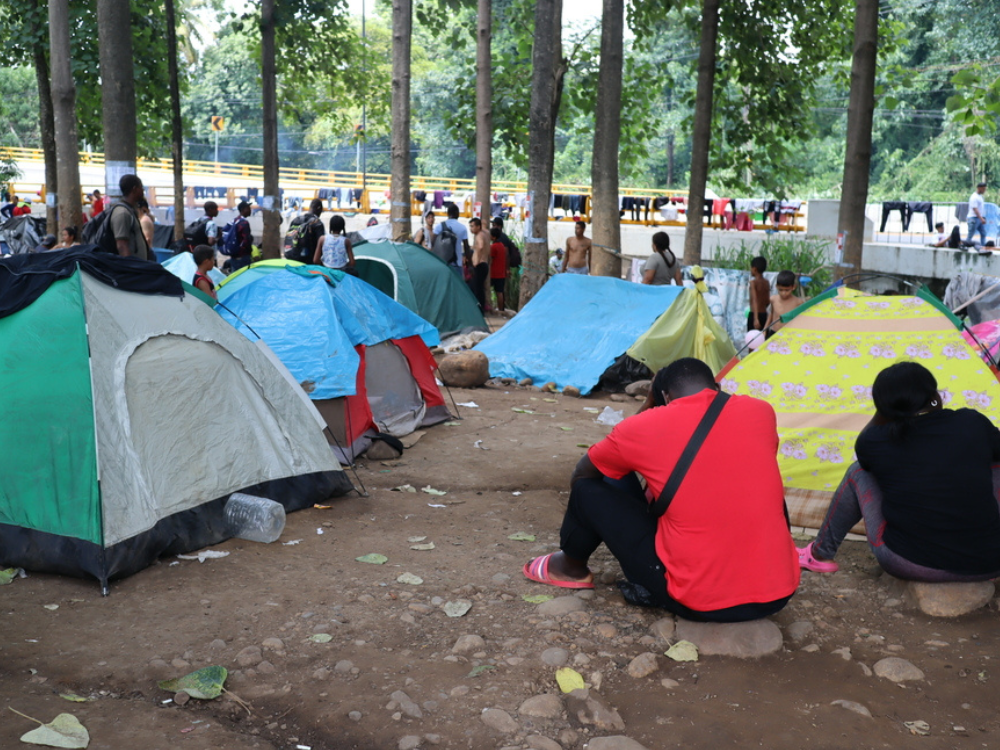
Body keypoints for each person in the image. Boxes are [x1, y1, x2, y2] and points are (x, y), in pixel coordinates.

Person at [522, 358, 800, 622]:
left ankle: (571, 568)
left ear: (665, 397)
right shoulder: (761, 411)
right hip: (777, 595)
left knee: (588, 488)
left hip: (698, 601)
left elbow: (583, 472)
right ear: (717, 387)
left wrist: (648, 405)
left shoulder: (644, 426)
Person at [799, 362, 1000, 582]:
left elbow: (866, 450)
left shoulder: (875, 440)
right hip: (990, 563)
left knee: (859, 471)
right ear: (934, 394)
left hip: (911, 564)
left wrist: (884, 412)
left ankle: (820, 554)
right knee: (991, 461)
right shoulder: (971, 422)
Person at [109, 174, 150, 260]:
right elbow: (122, 246)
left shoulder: (130, 211)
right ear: (134, 189)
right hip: (132, 270)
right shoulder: (122, 213)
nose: (142, 191)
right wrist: (130, 268)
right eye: (141, 187)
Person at [433, 203, 471, 275]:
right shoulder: (462, 227)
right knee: (457, 286)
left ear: (448, 214)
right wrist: (470, 265)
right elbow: (466, 247)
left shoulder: (439, 226)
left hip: (442, 263)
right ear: (457, 213)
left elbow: (433, 243)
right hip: (457, 264)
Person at [764, 270, 803, 335]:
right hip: (774, 333)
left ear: (793, 287)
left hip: (789, 334)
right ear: (776, 286)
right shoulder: (773, 299)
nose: (784, 293)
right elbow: (771, 314)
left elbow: (801, 320)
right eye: (781, 290)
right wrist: (765, 330)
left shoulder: (798, 302)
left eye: (787, 290)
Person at [468, 217, 490, 311]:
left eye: (472, 226)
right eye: (470, 226)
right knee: (478, 288)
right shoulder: (485, 234)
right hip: (483, 265)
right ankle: (479, 309)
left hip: (480, 264)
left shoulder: (479, 235)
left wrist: (477, 260)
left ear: (478, 226)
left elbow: (480, 246)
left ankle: (479, 310)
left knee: (477, 289)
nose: (471, 228)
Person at [230, 200, 255, 271]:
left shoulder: (235, 220)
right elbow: (246, 240)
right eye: (249, 208)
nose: (250, 210)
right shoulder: (244, 223)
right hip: (243, 256)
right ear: (243, 209)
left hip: (234, 255)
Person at [489, 225, 508, 312]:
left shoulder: (493, 247)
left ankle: (489, 307)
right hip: (501, 273)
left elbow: (491, 260)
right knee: (499, 292)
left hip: (494, 273)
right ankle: (501, 310)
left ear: (493, 237)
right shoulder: (502, 246)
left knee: (488, 289)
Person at [748, 255, 769, 331]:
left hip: (755, 315)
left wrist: (756, 318)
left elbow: (754, 300)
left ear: (754, 269)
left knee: (752, 340)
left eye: (751, 268)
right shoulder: (766, 282)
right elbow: (767, 301)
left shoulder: (753, 283)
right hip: (764, 314)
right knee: (763, 338)